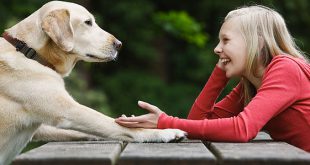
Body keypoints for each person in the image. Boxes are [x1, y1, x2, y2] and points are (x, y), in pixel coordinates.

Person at [115, 5, 310, 152]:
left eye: (226, 40)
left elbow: (242, 129)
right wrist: (220, 73)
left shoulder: (285, 68)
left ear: (257, 42)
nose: (217, 48)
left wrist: (165, 122)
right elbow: (198, 122)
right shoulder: (250, 85)